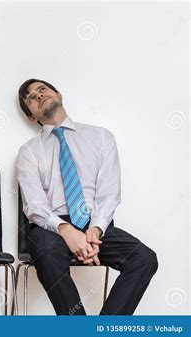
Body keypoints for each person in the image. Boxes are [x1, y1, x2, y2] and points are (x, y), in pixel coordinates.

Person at [16, 78, 158, 315]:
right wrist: (67, 231)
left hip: (95, 224)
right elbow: (34, 206)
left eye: (42, 89)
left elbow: (109, 194)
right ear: (31, 116)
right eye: (31, 98)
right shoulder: (29, 151)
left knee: (144, 258)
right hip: (51, 227)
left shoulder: (101, 137)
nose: (38, 95)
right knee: (46, 251)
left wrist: (94, 231)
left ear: (59, 94)